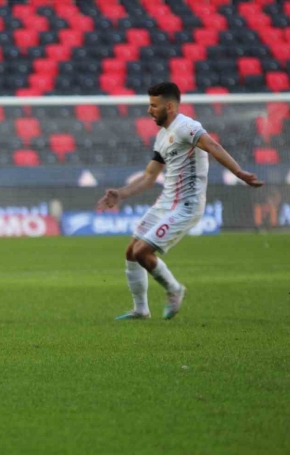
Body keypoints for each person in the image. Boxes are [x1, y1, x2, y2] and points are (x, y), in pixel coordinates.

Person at [97, 82, 263, 320]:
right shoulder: (162, 136)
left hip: (187, 205)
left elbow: (213, 146)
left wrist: (239, 173)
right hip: (165, 203)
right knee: (131, 252)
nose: (149, 110)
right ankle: (141, 309)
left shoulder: (187, 127)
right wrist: (121, 194)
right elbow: (148, 177)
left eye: (154, 105)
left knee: (143, 251)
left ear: (170, 106)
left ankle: (175, 290)